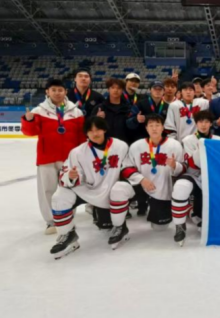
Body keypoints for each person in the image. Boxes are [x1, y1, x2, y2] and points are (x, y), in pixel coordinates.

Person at [50, 117, 135, 258]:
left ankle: (120, 227)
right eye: (90, 131)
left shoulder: (120, 146)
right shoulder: (77, 152)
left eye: (98, 129)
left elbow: (129, 167)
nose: (95, 134)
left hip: (112, 189)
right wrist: (71, 176)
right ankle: (68, 234)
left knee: (120, 189)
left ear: (105, 129)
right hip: (88, 190)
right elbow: (66, 174)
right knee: (59, 197)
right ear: (86, 133)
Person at [21, 79, 86, 234]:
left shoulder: (75, 111)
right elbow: (30, 132)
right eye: (54, 90)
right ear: (47, 92)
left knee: (69, 188)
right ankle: (51, 221)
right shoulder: (39, 110)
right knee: (47, 190)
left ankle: (67, 218)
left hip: (69, 159)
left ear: (65, 92)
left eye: (60, 90)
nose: (57, 93)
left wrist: (81, 157)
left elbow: (81, 136)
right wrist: (29, 121)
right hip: (47, 158)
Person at [124, 114, 185, 231]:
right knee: (119, 188)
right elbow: (126, 168)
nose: (154, 128)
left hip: (163, 190)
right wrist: (141, 179)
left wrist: (175, 165)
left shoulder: (174, 145)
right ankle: (121, 222)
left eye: (157, 125)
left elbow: (184, 168)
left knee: (160, 228)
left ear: (163, 127)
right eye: (151, 125)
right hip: (140, 185)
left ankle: (156, 208)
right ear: (146, 128)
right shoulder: (136, 146)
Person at [177, 110, 220, 241]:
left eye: (207, 122)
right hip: (195, 175)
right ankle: (195, 213)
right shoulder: (188, 140)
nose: (203, 125)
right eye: (200, 122)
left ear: (211, 124)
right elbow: (192, 162)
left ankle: (215, 216)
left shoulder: (218, 139)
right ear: (196, 123)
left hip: (213, 175)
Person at [91, 78, 132, 143]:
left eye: (119, 88)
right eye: (113, 88)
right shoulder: (100, 108)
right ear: (108, 90)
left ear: (122, 90)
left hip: (124, 143)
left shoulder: (128, 108)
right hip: (104, 143)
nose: (115, 90)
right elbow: (90, 126)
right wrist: (97, 118)